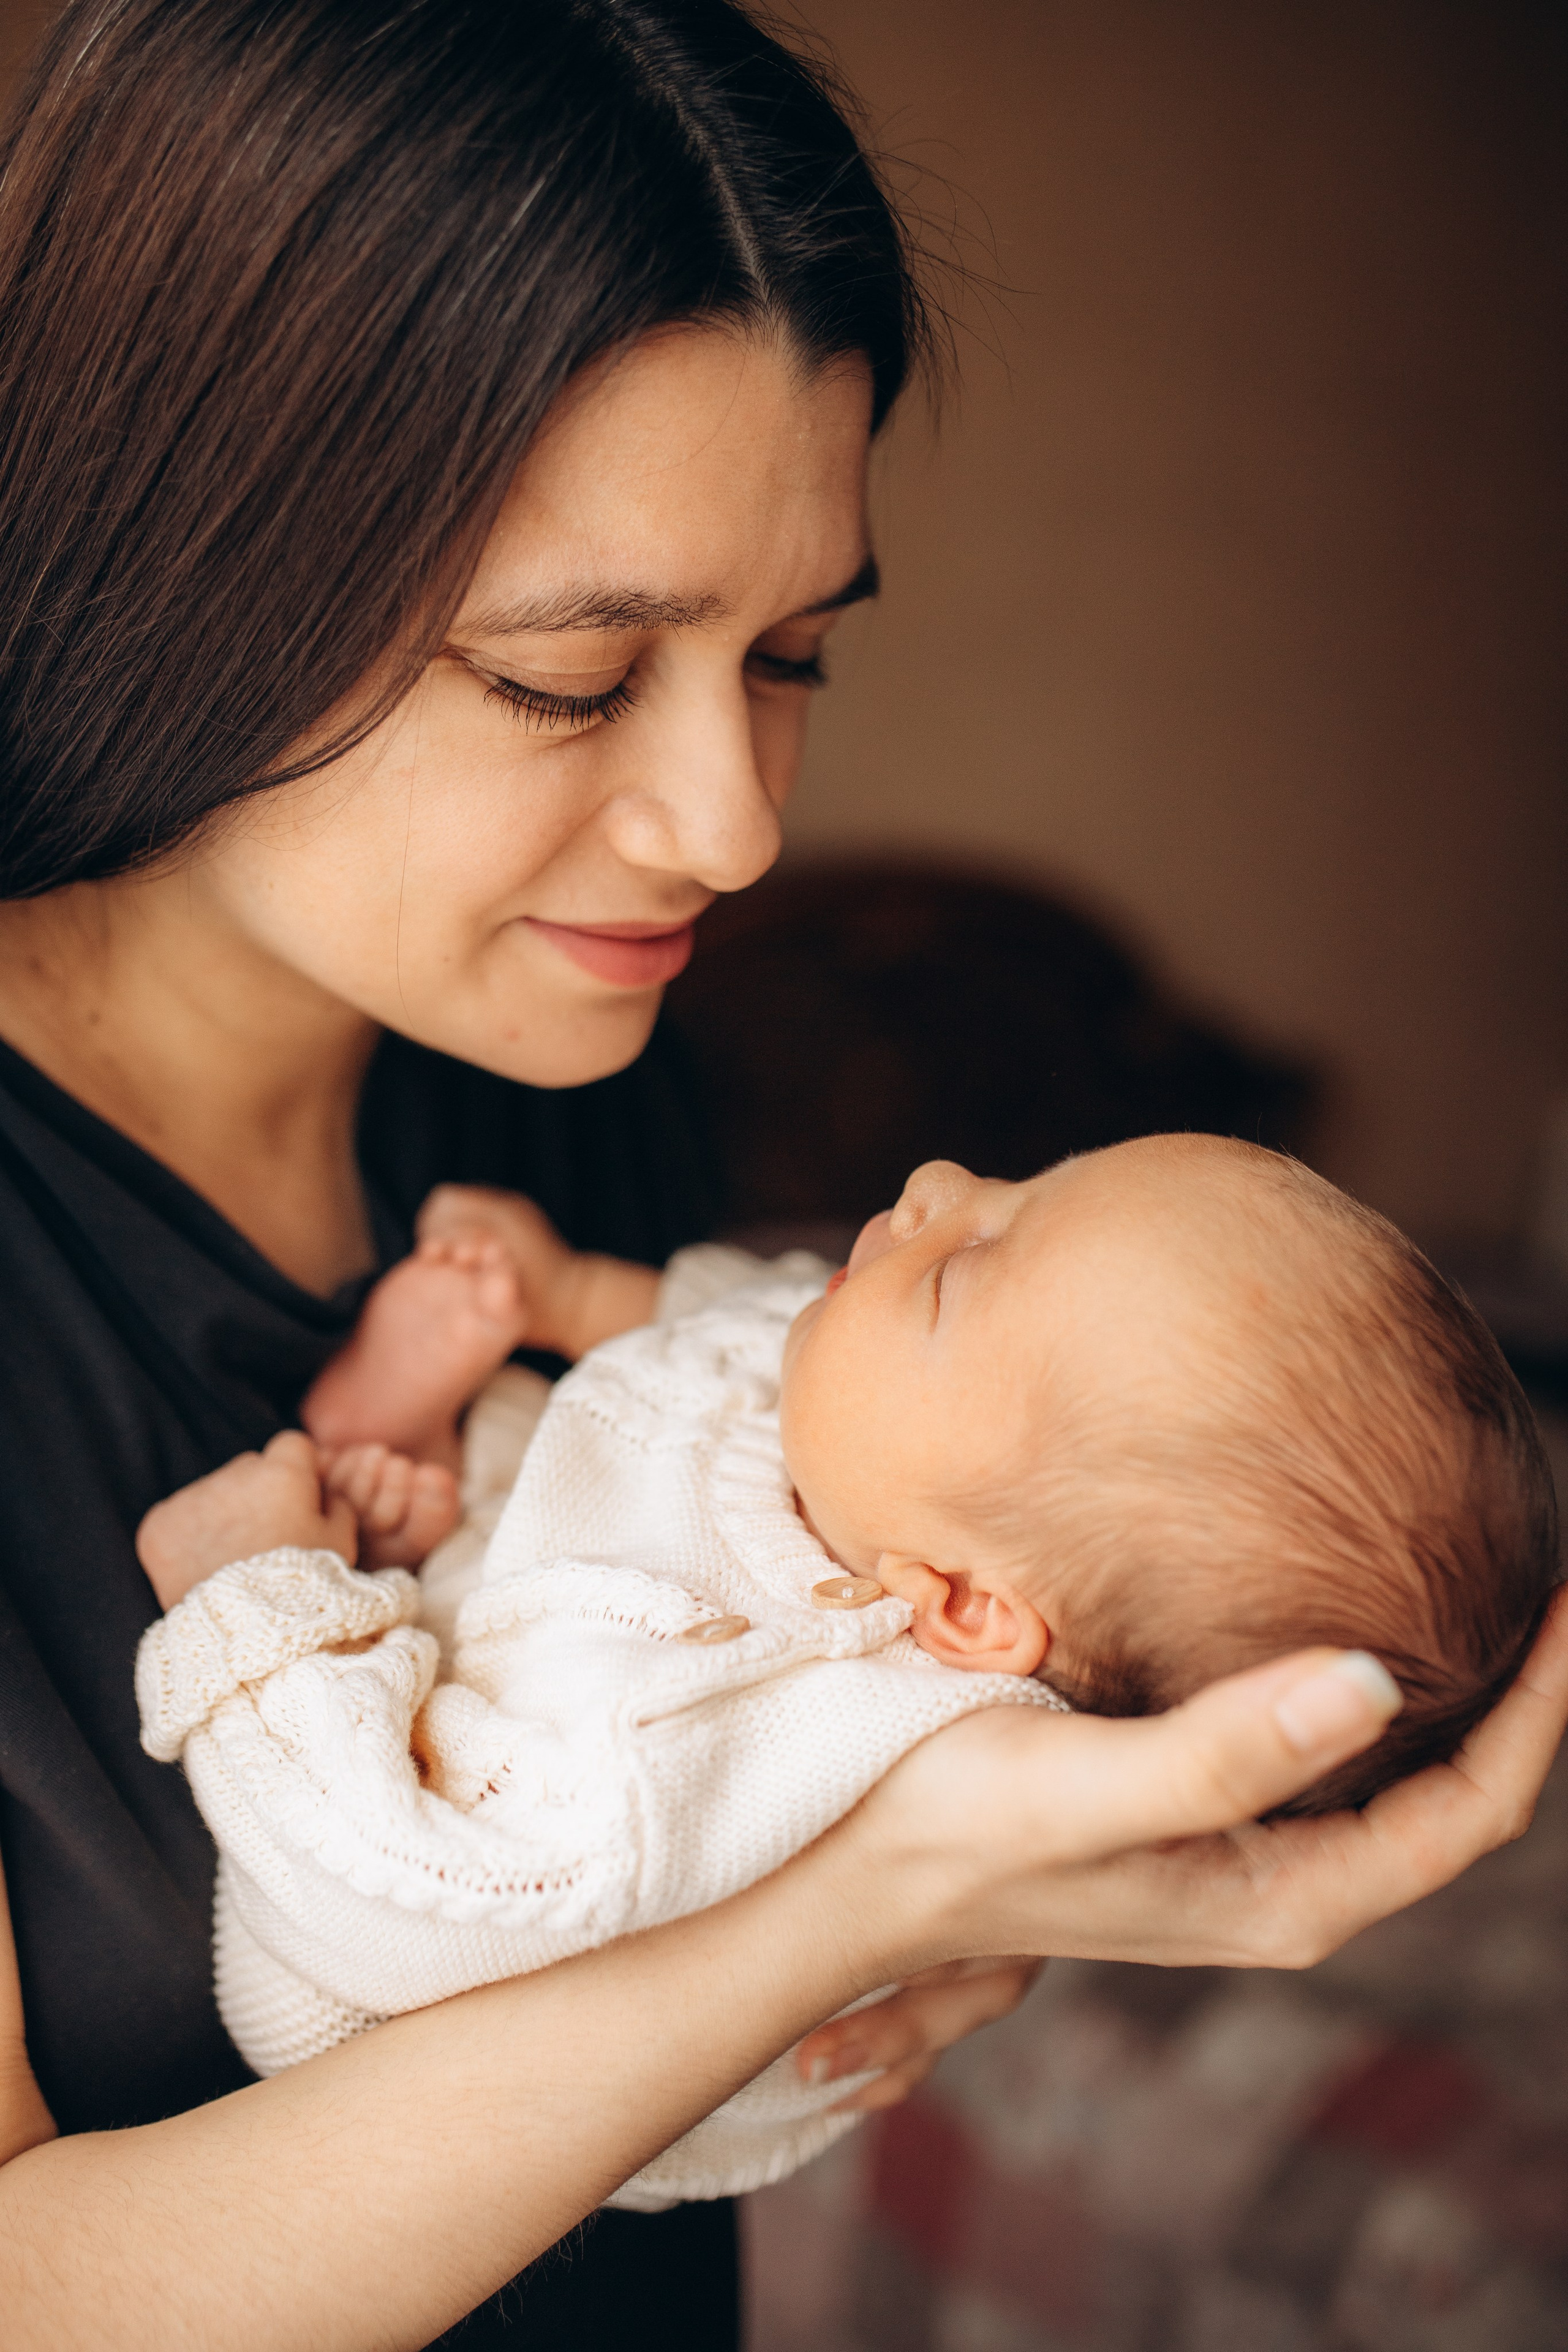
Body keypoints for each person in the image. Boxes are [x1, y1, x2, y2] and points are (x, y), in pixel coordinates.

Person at [0, 3, 1564, 2346]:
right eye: (569, 679)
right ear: (179, 569)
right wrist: (848, 1915)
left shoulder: (559, 1071)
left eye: (796, 653)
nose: (732, 828)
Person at [126, 1134, 1559, 2204]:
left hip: (407, 1967)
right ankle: (426, 1476)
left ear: (965, 1620)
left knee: (424, 1643)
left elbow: (405, 1898)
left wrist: (255, 1602)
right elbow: (766, 1310)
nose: (937, 1183)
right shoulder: (910, 1454)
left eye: (971, 1265)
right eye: (1027, 1184)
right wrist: (574, 1294)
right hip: (571, 1628)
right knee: (696, 1387)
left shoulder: (708, 1725)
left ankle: (392, 1532)